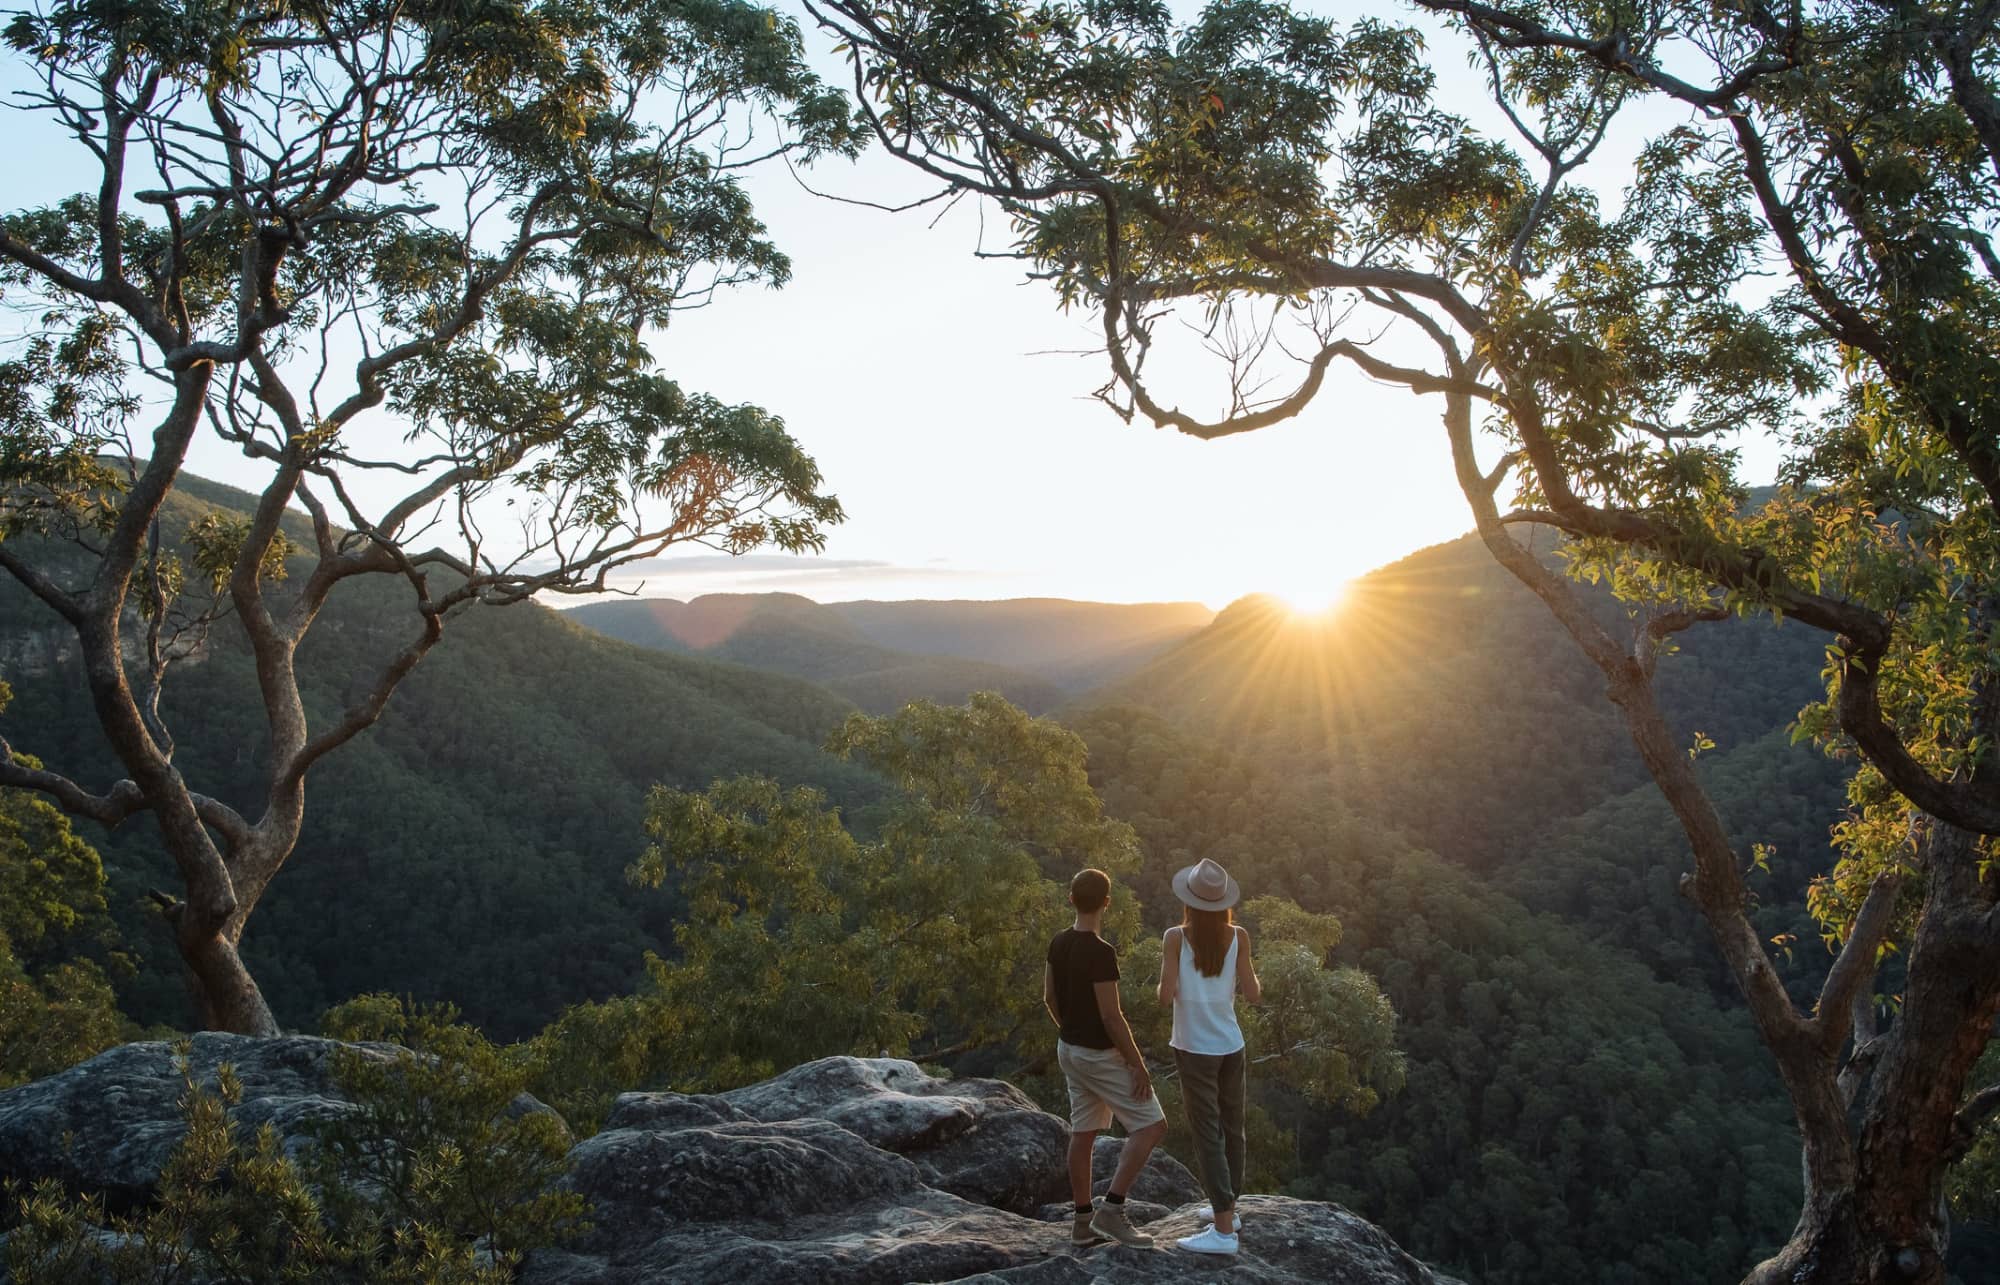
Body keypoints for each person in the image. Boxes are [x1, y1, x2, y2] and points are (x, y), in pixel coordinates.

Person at [1044, 867, 1167, 1249]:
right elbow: (1112, 1017)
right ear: (1107, 904)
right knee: (1151, 1126)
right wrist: (1137, 1064)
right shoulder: (1101, 953)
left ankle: (1082, 1223)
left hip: (1069, 1050)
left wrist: (1072, 1031)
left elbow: (1049, 999)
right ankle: (1111, 1211)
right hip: (1098, 1055)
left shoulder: (1058, 943)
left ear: (1071, 899)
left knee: (1083, 1134)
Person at [1157, 857, 1261, 1257]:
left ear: (1190, 902)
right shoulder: (1239, 936)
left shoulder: (1174, 937)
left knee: (1208, 1134)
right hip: (1231, 1045)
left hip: (1194, 1047)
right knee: (1233, 1129)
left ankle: (1223, 1232)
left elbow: (1165, 996)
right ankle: (1229, 1211)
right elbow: (1252, 993)